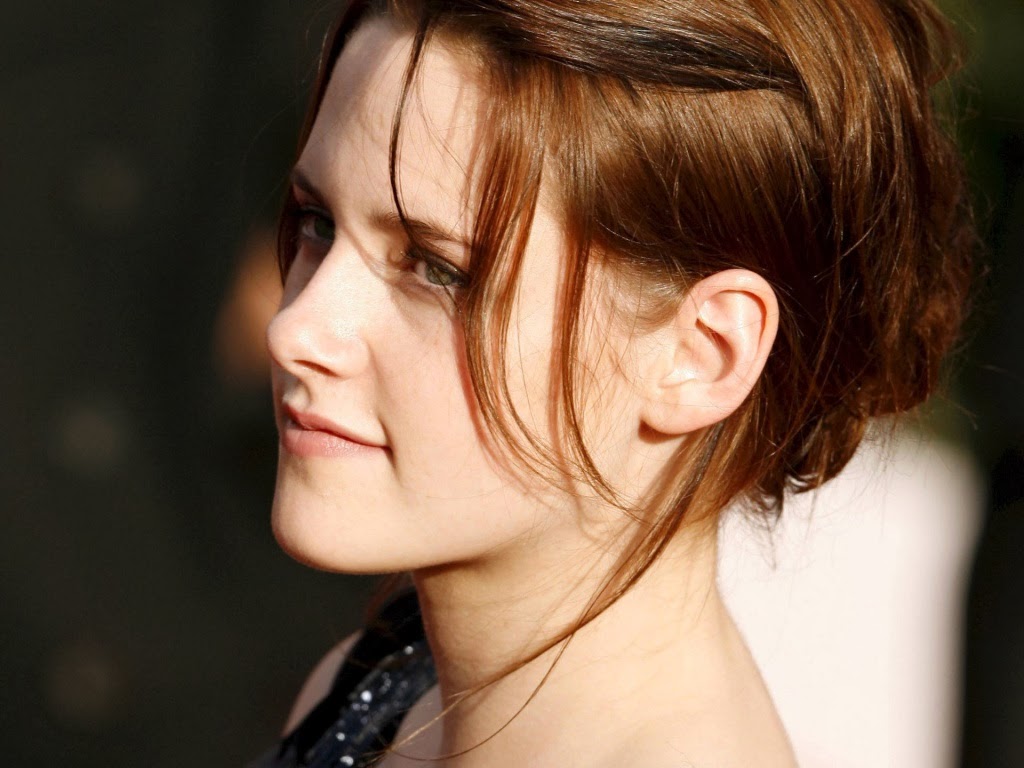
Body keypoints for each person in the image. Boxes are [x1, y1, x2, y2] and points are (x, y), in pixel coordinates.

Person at [251, 0, 974, 765]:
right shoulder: (375, 695)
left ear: (704, 353)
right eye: (318, 222)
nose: (296, 329)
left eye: (437, 270)